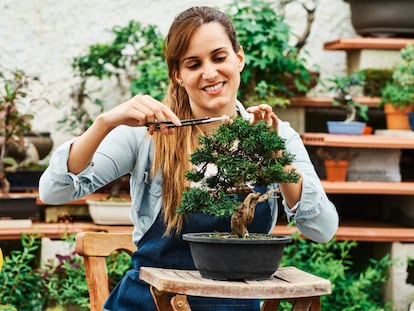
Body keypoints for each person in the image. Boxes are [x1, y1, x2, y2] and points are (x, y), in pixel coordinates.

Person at [39, 6, 338, 311]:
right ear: (178, 75)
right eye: (193, 64)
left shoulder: (274, 134)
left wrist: (276, 153)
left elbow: (322, 229)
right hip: (149, 304)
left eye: (219, 57)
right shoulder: (148, 134)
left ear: (239, 58)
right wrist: (106, 122)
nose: (209, 73)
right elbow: (53, 190)